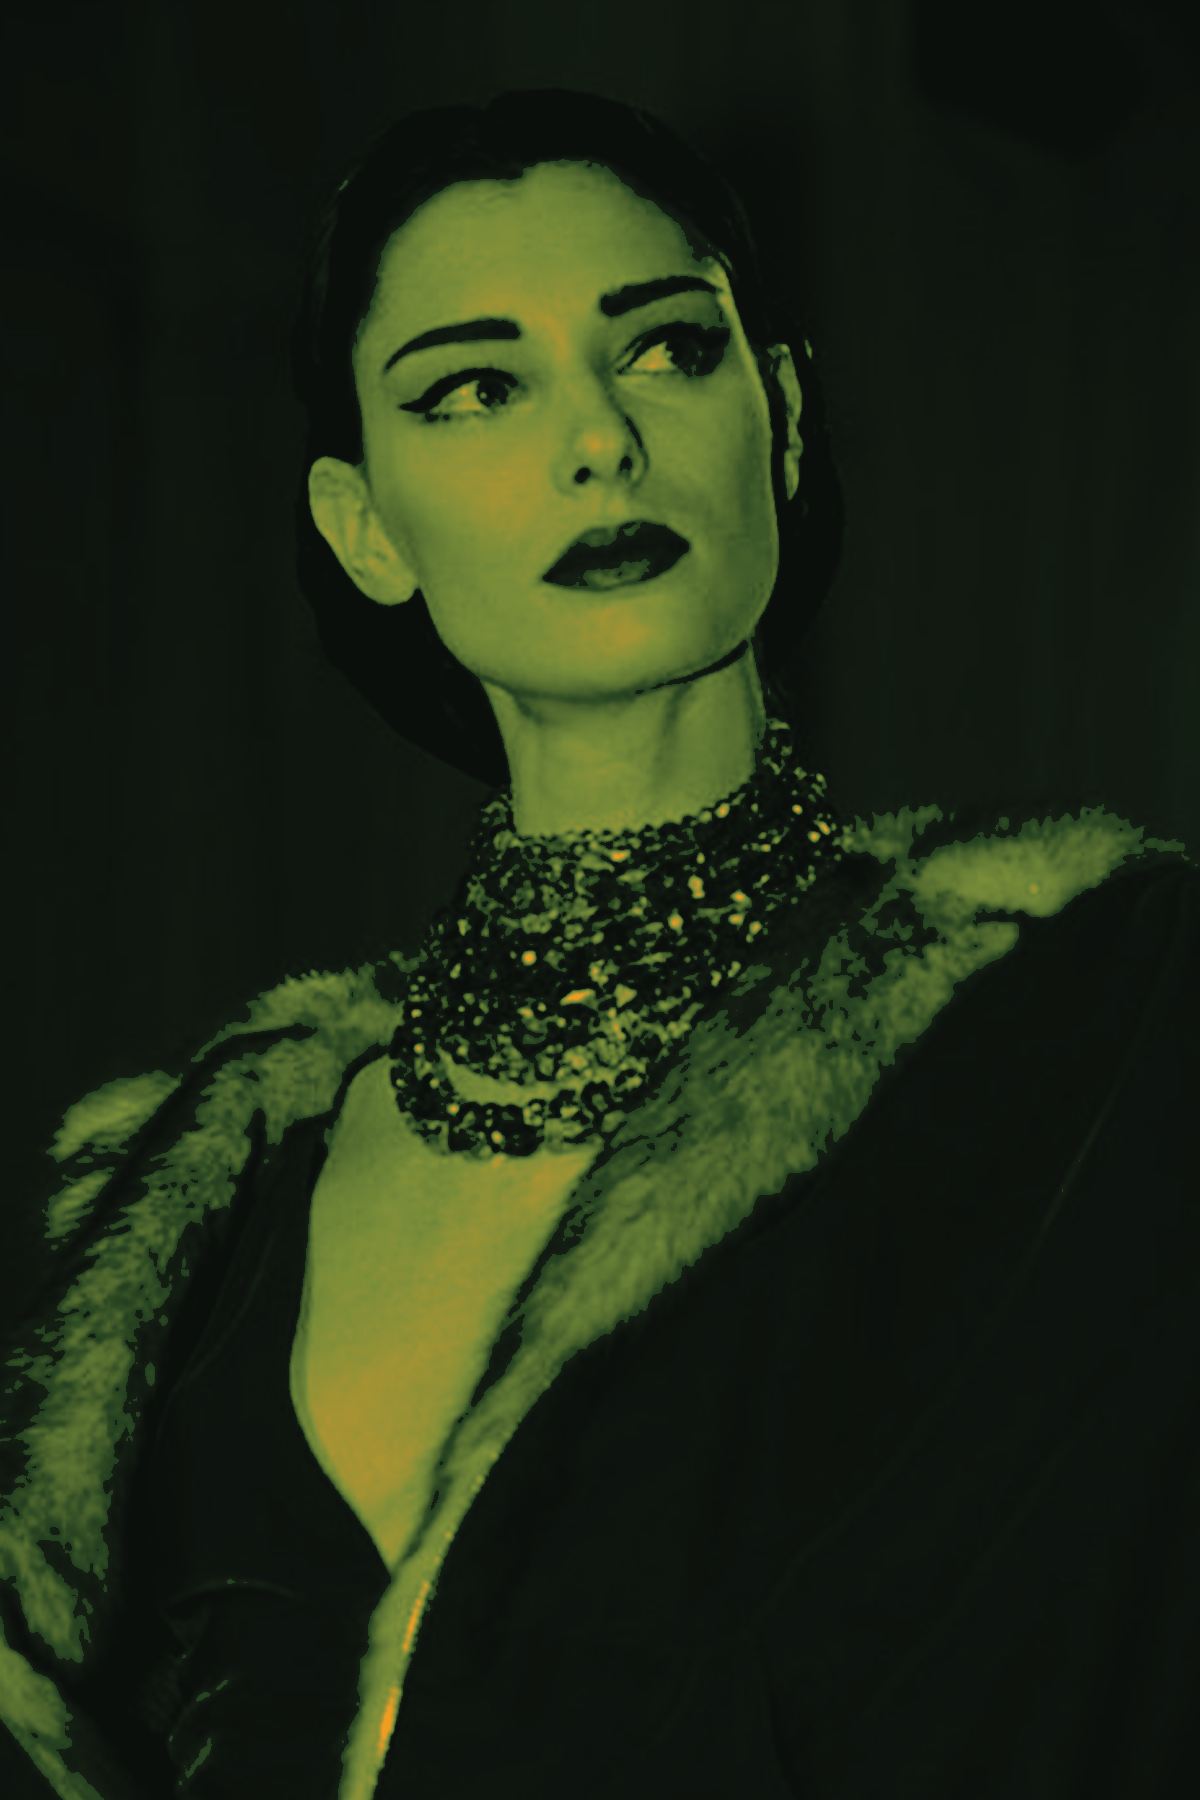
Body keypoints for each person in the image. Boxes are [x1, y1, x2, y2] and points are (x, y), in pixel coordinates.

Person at [1, 87, 1195, 1800]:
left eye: (665, 351)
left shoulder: (1100, 1015)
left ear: (782, 418)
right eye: (474, 388)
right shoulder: (203, 1215)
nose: (600, 441)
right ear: (363, 526)